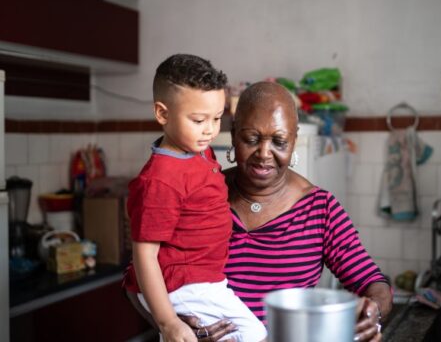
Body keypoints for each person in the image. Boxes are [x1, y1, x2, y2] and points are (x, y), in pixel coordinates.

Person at [128, 81, 392, 342]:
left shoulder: (319, 209)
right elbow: (138, 278)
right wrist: (176, 327)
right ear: (233, 135)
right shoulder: (201, 195)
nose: (264, 153)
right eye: (251, 139)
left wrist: (373, 312)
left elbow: (372, 281)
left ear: (294, 140)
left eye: (279, 141)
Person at [123, 54, 267, 342]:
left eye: (216, 118)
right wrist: (167, 323)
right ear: (163, 114)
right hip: (182, 283)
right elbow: (144, 254)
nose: (210, 129)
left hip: (206, 278)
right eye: (199, 120)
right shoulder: (160, 179)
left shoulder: (199, 152)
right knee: (254, 336)